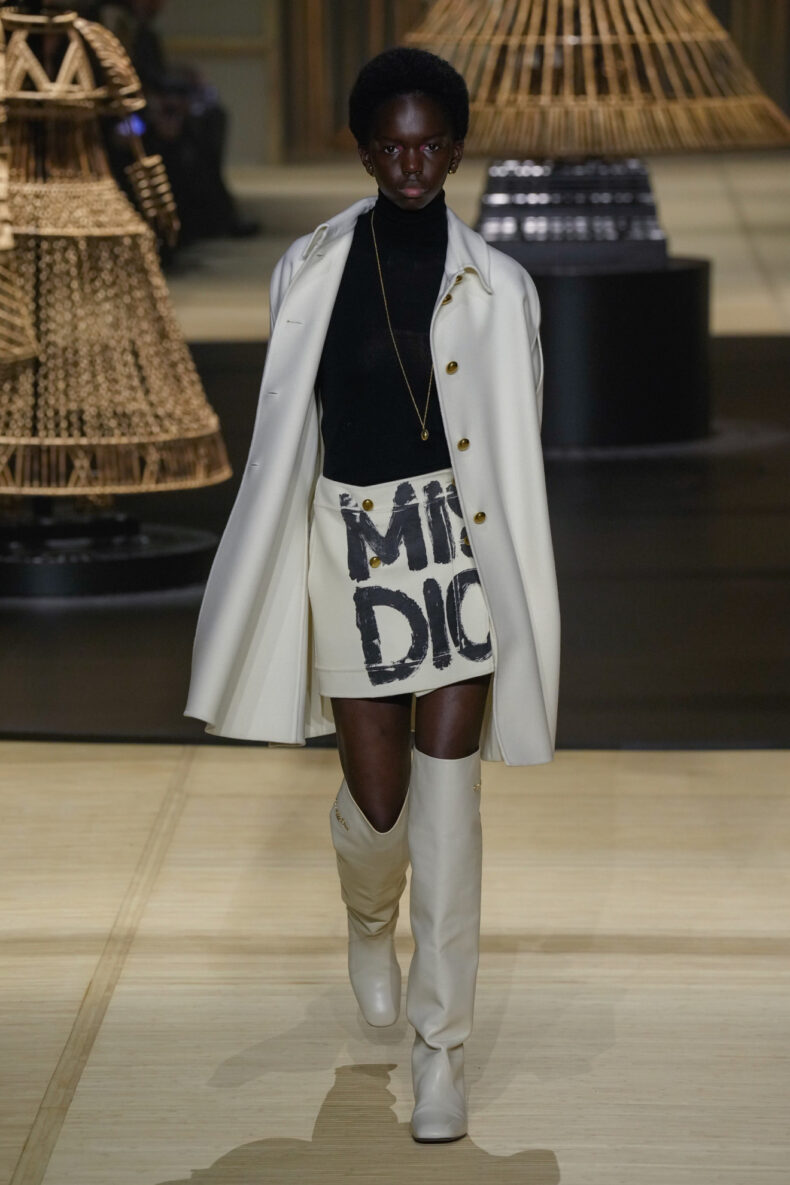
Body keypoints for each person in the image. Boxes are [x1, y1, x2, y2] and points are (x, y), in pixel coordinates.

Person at [185, 47, 560, 1143]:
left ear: (456, 148)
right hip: (352, 547)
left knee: (447, 802)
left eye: (430, 144)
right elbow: (289, 431)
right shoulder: (306, 271)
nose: (411, 164)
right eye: (391, 146)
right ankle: (366, 917)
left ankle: (442, 1052)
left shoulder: (502, 289)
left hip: (456, 553)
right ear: (362, 151)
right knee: (381, 802)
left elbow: (516, 451)